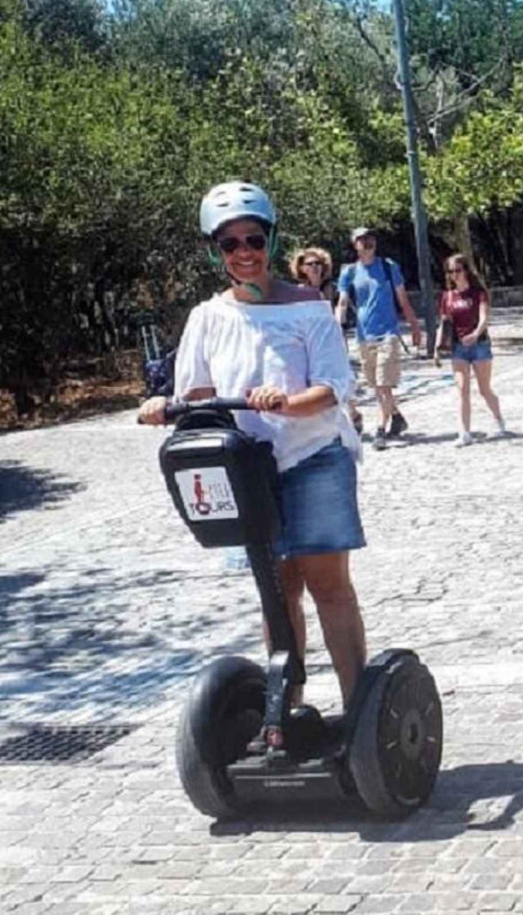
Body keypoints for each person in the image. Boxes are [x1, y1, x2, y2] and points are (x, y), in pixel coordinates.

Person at [139, 182, 368, 712]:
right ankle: (286, 710)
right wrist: (162, 407)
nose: (244, 252)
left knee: (328, 586)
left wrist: (286, 402)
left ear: (270, 241)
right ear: (215, 251)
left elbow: (333, 388)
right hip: (247, 469)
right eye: (230, 243)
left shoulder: (309, 307)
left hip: (313, 457)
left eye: (254, 240)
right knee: (276, 590)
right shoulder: (207, 318)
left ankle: (361, 714)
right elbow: (196, 398)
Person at [335, 228, 423, 451]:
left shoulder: (388, 266)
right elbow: (342, 302)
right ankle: (396, 416)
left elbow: (402, 299)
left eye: (370, 238)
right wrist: (337, 327)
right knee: (376, 385)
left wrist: (414, 325)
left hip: (388, 334)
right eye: (362, 239)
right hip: (364, 336)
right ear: (355, 244)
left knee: (383, 386)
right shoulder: (349, 272)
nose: (367, 243)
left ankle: (380, 431)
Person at [292, 245, 362, 435]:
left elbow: (341, 305)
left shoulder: (331, 288)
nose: (315, 267)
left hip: (332, 336)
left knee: (340, 374)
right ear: (302, 268)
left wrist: (338, 324)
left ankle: (352, 413)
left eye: (318, 264)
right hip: (309, 340)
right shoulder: (297, 293)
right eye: (310, 264)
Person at [440, 253, 507, 447]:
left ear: (466, 270)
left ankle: (498, 419)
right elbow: (443, 323)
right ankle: (464, 432)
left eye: (458, 270)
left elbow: (484, 318)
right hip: (458, 347)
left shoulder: (478, 293)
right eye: (450, 271)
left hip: (479, 346)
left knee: (484, 389)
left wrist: (476, 334)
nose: (454, 275)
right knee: (462, 390)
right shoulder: (447, 296)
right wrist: (437, 346)